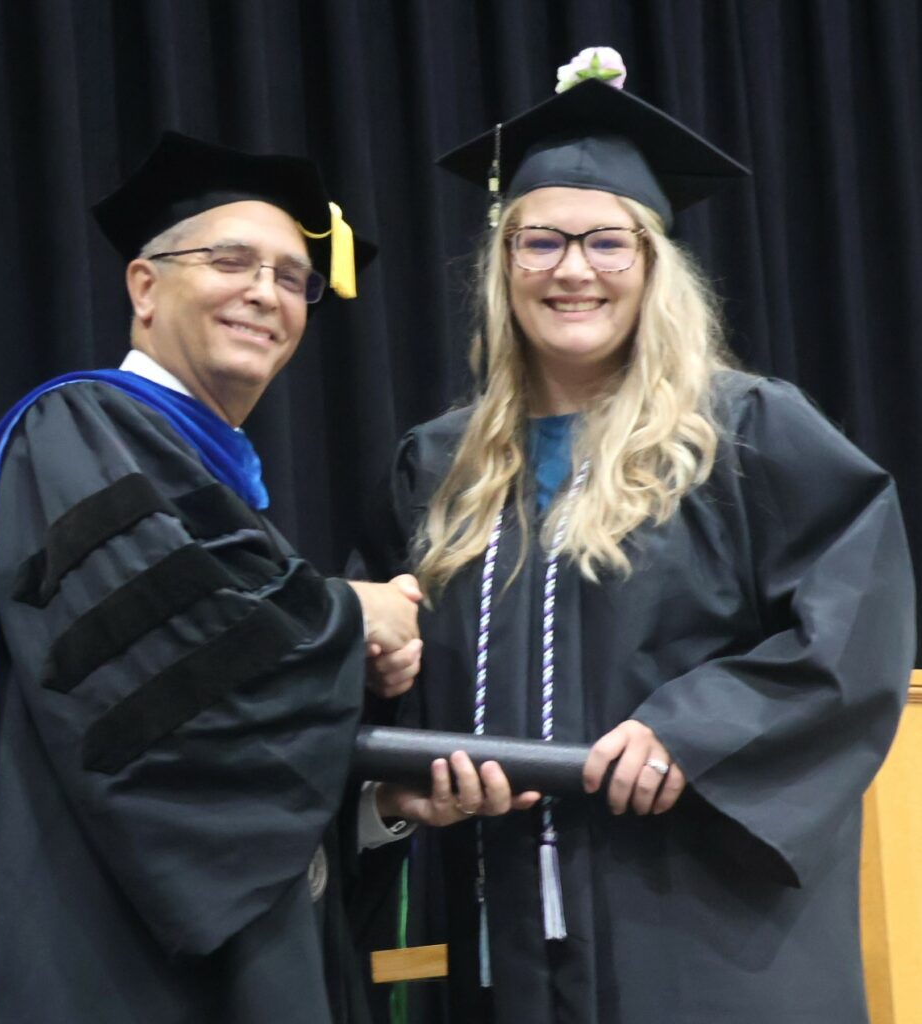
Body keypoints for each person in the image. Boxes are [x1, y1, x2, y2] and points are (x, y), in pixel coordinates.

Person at [358, 50, 916, 1024]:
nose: (573, 269)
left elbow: (853, 625)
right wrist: (398, 774)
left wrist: (693, 728)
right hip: (501, 946)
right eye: (539, 242)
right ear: (502, 265)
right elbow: (380, 664)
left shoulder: (744, 435)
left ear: (654, 265)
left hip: (700, 939)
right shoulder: (438, 466)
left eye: (607, 243)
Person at [0, 131, 424, 1024]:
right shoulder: (77, 427)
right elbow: (172, 684)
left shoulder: (207, 481)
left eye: (293, 277)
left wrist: (381, 800)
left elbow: (232, 715)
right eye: (230, 261)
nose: (265, 292)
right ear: (144, 287)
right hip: (101, 957)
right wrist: (353, 617)